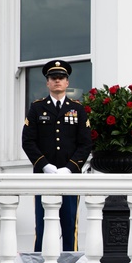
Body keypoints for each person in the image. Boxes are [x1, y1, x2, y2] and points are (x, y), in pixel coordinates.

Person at [21, 59, 93, 252]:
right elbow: (28, 141)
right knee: (42, 226)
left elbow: (85, 143)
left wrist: (70, 168)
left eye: (61, 77)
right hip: (44, 177)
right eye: (53, 78)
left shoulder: (77, 109)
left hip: (70, 178)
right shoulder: (37, 108)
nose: (57, 81)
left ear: (67, 82)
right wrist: (44, 165)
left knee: (70, 225)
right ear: (47, 82)